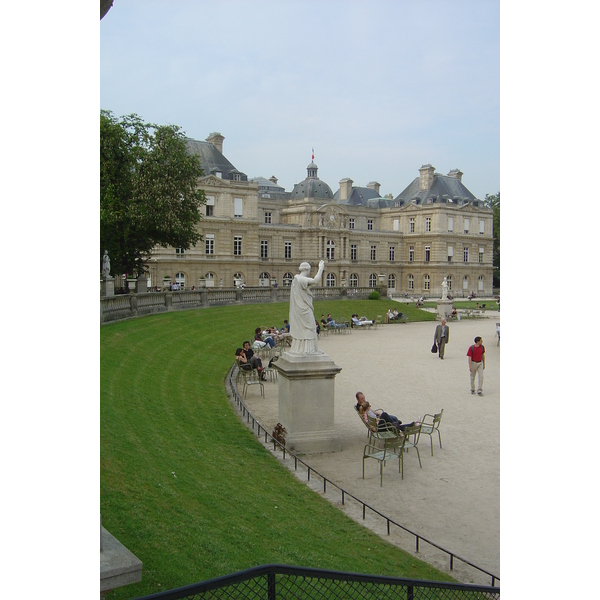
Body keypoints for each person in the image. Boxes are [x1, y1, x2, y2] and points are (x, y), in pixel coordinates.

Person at [288, 260, 325, 354]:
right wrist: (321, 268)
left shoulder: (296, 279)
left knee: (303, 328)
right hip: (304, 308)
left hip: (299, 308)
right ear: (307, 269)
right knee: (311, 327)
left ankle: (303, 348)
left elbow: (304, 290)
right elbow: (316, 281)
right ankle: (310, 349)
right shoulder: (301, 279)